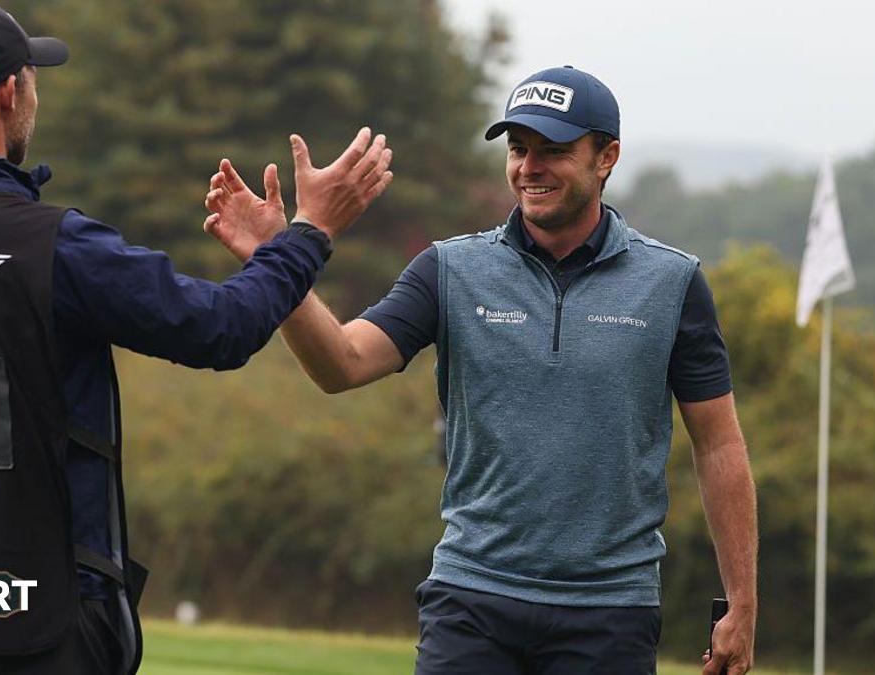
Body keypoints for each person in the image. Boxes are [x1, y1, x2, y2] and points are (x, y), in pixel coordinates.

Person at [0, 2, 392, 673]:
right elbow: (220, 330)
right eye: (34, 80)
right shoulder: (55, 246)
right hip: (46, 630)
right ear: (11, 94)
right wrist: (308, 234)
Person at [204, 65, 756, 674]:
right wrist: (277, 264)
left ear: (607, 157)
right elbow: (343, 363)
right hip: (472, 601)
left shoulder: (672, 282)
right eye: (519, 149)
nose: (529, 168)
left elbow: (719, 445)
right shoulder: (448, 269)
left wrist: (742, 603)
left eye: (554, 151)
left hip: (610, 612)